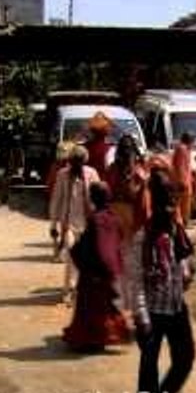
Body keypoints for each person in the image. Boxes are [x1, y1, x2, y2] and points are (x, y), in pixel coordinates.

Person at [127, 169, 196, 393]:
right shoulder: (143, 238)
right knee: (149, 366)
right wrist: (141, 317)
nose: (170, 207)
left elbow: (186, 262)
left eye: (173, 202)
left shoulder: (178, 232)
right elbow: (135, 281)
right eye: (165, 203)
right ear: (155, 204)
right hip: (153, 312)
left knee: (185, 358)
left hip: (177, 307)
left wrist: (187, 270)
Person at [63, 182, 130, 351]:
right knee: (107, 308)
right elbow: (118, 241)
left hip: (93, 271)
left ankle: (89, 339)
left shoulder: (94, 219)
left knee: (89, 308)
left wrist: (75, 250)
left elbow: (91, 245)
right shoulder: (115, 218)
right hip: (109, 271)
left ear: (93, 198)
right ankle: (105, 336)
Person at [49, 145, 100, 306]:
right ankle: (69, 289)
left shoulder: (91, 174)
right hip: (68, 223)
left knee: (85, 259)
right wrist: (53, 224)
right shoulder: (63, 175)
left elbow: (98, 197)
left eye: (79, 162)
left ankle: (81, 290)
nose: (76, 166)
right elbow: (57, 199)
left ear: (83, 162)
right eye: (74, 162)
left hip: (87, 223)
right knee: (71, 256)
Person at [106, 135, 150, 309]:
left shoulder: (113, 170)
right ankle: (134, 310)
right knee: (133, 269)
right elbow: (145, 207)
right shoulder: (140, 173)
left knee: (120, 267)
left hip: (119, 221)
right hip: (132, 222)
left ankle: (123, 307)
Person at [170, 132, 194, 226]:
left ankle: (184, 222)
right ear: (189, 140)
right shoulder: (182, 149)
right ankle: (182, 223)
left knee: (186, 202)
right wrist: (182, 181)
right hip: (182, 181)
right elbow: (180, 167)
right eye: (192, 141)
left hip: (186, 180)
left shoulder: (185, 149)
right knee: (181, 203)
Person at [85, 112, 113, 179]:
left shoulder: (84, 147)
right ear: (107, 132)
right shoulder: (110, 149)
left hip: (88, 182)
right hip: (104, 184)